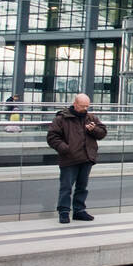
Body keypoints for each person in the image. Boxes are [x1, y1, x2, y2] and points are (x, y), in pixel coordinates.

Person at [46, 93, 107, 224]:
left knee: (82, 186)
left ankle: (79, 210)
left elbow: (102, 133)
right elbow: (52, 137)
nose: (85, 109)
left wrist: (94, 129)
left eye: (87, 106)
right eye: (82, 106)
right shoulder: (62, 118)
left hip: (86, 157)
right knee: (66, 186)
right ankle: (64, 211)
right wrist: (65, 149)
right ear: (75, 104)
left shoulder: (91, 118)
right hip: (69, 158)